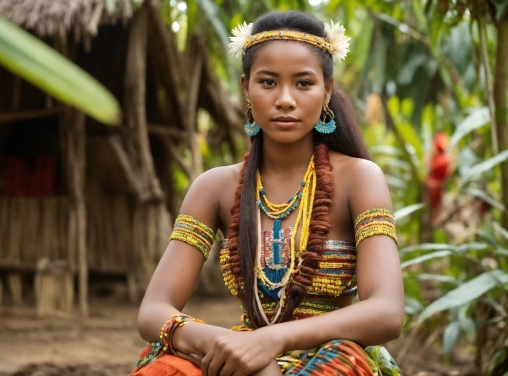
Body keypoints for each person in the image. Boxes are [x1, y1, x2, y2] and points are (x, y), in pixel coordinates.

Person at [130, 10, 404, 376]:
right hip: (243, 358)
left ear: (327, 89)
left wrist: (273, 341)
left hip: (332, 358)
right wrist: (229, 346)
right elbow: (154, 310)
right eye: (268, 82)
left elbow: (387, 311)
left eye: (304, 83)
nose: (286, 99)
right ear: (246, 87)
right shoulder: (214, 187)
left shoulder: (359, 179)